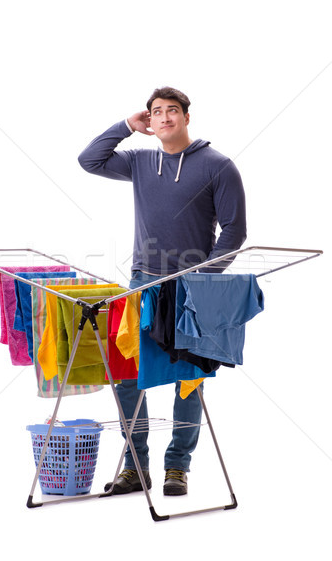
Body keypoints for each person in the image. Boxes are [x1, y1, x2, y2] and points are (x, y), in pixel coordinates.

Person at [78, 86, 247, 495]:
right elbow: (90, 160)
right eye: (157, 112)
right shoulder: (140, 161)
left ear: (187, 117)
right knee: (128, 373)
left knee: (188, 377)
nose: (165, 117)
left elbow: (235, 232)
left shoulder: (218, 166)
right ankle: (136, 468)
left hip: (192, 290)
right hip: (142, 283)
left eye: (173, 110)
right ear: (150, 121)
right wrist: (126, 127)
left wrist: (202, 277)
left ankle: (177, 467)